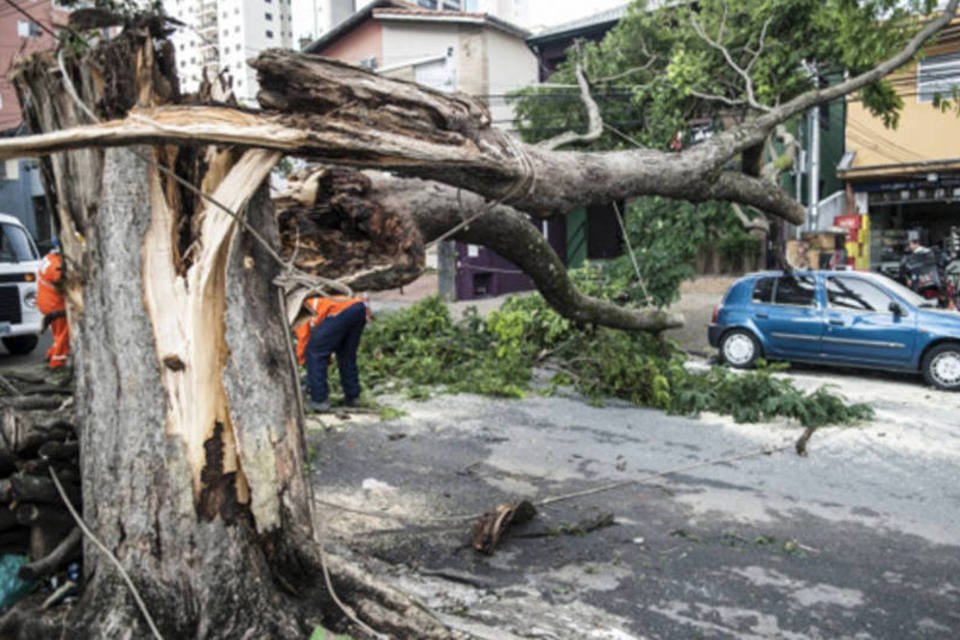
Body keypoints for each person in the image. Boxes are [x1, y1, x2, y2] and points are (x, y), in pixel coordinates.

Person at [295, 294, 369, 412]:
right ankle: (352, 396)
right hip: (358, 308)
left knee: (314, 353)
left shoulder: (299, 308)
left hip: (340, 312)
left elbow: (304, 338)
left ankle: (319, 400)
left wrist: (301, 360)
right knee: (346, 354)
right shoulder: (314, 297)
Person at [37, 243, 69, 369]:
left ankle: (51, 354)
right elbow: (63, 279)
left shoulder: (48, 258)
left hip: (45, 301)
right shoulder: (56, 265)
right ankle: (57, 362)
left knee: (57, 333)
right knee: (64, 332)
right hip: (54, 303)